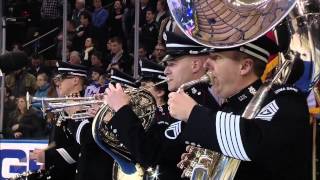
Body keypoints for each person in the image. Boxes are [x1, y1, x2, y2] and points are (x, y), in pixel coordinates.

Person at [168, 35, 312, 179]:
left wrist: (194, 114)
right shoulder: (227, 109)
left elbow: (257, 143)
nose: (206, 64)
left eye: (216, 57)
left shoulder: (284, 97)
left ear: (244, 67)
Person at [103, 32, 220, 179]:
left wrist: (122, 110)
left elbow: (150, 153)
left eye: (172, 64)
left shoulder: (197, 103)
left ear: (195, 65)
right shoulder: (187, 99)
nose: (166, 71)